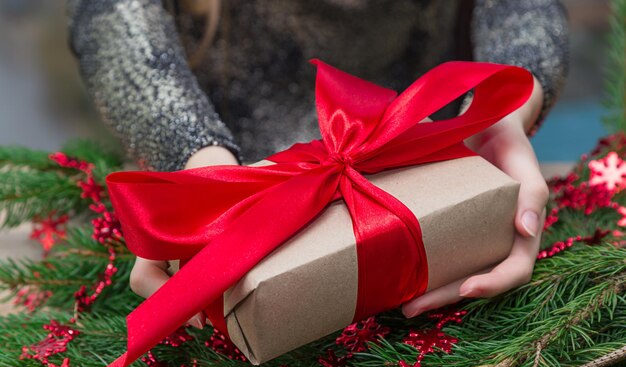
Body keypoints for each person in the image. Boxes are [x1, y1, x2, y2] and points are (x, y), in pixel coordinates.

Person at [67, 0, 569, 328]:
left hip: (424, 178)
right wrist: (199, 165)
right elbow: (113, 16)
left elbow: (522, 10)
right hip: (239, 196)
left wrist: (501, 117)